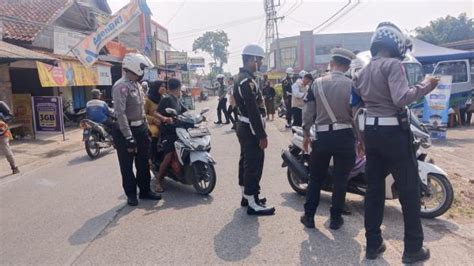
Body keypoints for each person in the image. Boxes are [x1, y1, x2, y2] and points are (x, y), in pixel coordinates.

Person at [354, 22, 439, 263]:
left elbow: (356, 105)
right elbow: (401, 99)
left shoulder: (363, 71)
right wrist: (427, 85)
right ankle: (413, 249)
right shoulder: (394, 65)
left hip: (371, 134)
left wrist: (360, 138)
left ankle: (373, 244)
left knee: (373, 192)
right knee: (409, 192)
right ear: (396, 44)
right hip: (394, 134)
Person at [299, 48, 357, 231]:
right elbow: (357, 115)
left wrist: (306, 133)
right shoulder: (353, 85)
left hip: (322, 137)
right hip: (346, 136)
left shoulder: (316, 84)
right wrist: (361, 140)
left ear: (331, 63)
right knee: (341, 180)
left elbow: (308, 112)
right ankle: (335, 219)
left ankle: (309, 217)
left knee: (315, 178)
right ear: (347, 66)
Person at [112, 53, 162, 206]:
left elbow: (141, 111)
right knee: (127, 166)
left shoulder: (137, 85)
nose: (143, 71)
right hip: (125, 132)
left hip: (140, 129)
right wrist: (128, 136)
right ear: (134, 67)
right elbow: (120, 114)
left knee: (143, 163)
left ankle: (145, 191)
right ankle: (131, 194)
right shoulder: (121, 86)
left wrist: (146, 128)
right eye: (142, 68)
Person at [234, 44, 275, 216]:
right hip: (250, 128)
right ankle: (252, 203)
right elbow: (253, 111)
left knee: (246, 161)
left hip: (244, 126)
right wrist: (261, 135)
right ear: (252, 59)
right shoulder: (246, 81)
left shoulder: (242, 77)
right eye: (259, 60)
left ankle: (248, 196)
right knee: (253, 164)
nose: (260, 63)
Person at [153, 78, 187, 193]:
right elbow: (155, 112)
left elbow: (185, 111)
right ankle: (158, 181)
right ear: (178, 87)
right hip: (168, 131)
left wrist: (198, 117)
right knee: (168, 155)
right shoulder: (166, 99)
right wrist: (164, 118)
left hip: (179, 129)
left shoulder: (177, 99)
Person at [145, 80, 166, 165]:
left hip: (164, 121)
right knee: (155, 133)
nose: (164, 88)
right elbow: (143, 114)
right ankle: (153, 157)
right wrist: (153, 120)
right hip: (152, 123)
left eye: (164, 86)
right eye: (162, 86)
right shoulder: (147, 99)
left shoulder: (164, 98)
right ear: (156, 87)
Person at [0, 101, 19, 174]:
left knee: (6, 150)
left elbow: (10, 116)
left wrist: (2, 117)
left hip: (2, 132)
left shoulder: (1, 104)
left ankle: (14, 166)